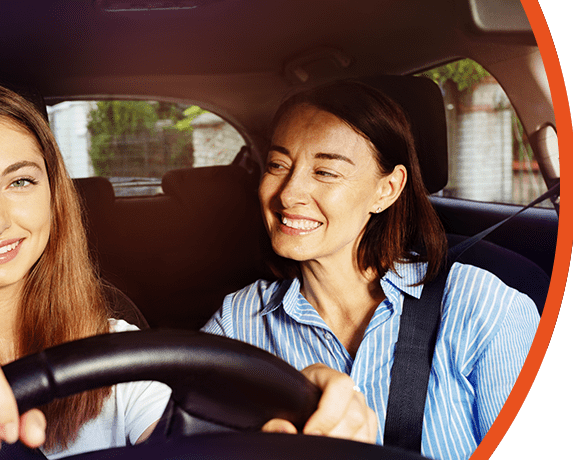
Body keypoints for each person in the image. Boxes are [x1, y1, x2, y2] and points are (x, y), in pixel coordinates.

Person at [0, 80, 376, 460]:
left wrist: (295, 416)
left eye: (20, 182)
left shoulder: (120, 348)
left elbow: (187, 440)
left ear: (56, 197)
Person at [201, 80, 540, 460]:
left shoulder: (483, 308)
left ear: (387, 190)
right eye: (278, 165)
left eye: (325, 172)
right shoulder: (238, 321)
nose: (288, 193)